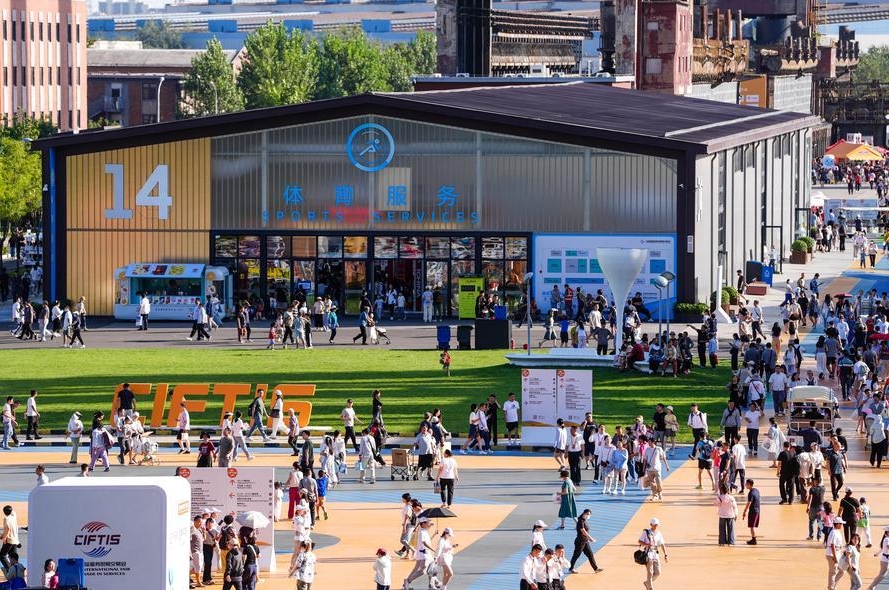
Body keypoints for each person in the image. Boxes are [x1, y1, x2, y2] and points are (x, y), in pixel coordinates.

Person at [403, 518, 435, 590]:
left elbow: (427, 539)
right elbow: (424, 543)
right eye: (428, 523)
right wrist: (433, 550)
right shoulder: (421, 532)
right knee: (422, 571)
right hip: (423, 554)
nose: (429, 524)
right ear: (423, 524)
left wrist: (434, 532)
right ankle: (407, 581)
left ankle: (431, 584)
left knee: (430, 569)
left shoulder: (424, 531)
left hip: (425, 554)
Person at [568, 508, 603, 573]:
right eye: (587, 514)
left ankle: (596, 569)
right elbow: (582, 530)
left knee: (590, 554)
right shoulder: (581, 521)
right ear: (584, 513)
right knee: (576, 555)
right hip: (580, 541)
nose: (588, 516)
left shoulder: (584, 520)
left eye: (589, 514)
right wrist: (590, 538)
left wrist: (588, 539)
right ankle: (571, 568)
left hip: (585, 541)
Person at [638, 518, 667, 590]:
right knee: (650, 571)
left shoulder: (659, 533)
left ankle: (647, 583)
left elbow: (662, 544)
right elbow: (640, 541)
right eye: (654, 525)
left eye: (657, 525)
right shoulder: (646, 532)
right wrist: (647, 545)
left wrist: (665, 554)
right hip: (648, 553)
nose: (656, 526)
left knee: (658, 572)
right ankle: (650, 588)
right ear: (651, 524)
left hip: (655, 554)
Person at [827, 517, 847, 590]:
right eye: (841, 524)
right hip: (832, 555)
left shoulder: (837, 531)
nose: (842, 525)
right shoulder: (834, 532)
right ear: (837, 524)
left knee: (842, 570)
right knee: (833, 572)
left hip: (837, 553)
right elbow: (832, 545)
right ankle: (831, 588)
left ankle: (832, 585)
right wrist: (835, 557)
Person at [741, 479, 761, 545]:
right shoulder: (756, 490)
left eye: (746, 484)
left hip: (753, 511)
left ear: (749, 485)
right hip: (758, 510)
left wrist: (745, 511)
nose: (745, 485)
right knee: (753, 526)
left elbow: (749, 503)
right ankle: (753, 538)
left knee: (752, 527)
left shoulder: (750, 493)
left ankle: (754, 540)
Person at [0, 505, 20, 572]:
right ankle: (17, 570)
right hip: (15, 540)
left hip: (9, 540)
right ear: (11, 511)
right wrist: (3, 535)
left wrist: (4, 538)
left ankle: (10, 570)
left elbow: (7, 529)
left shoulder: (6, 518)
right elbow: (12, 511)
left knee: (2, 556)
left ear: (4, 512)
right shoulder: (14, 516)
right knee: (14, 557)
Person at [190, 516, 205, 588]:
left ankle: (185, 575)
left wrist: (204, 532)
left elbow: (203, 539)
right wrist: (190, 552)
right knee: (198, 567)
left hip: (200, 551)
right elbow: (188, 540)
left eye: (201, 522)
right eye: (199, 522)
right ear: (195, 521)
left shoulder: (200, 530)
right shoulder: (191, 529)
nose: (201, 523)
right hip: (195, 551)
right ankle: (198, 582)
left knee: (197, 567)